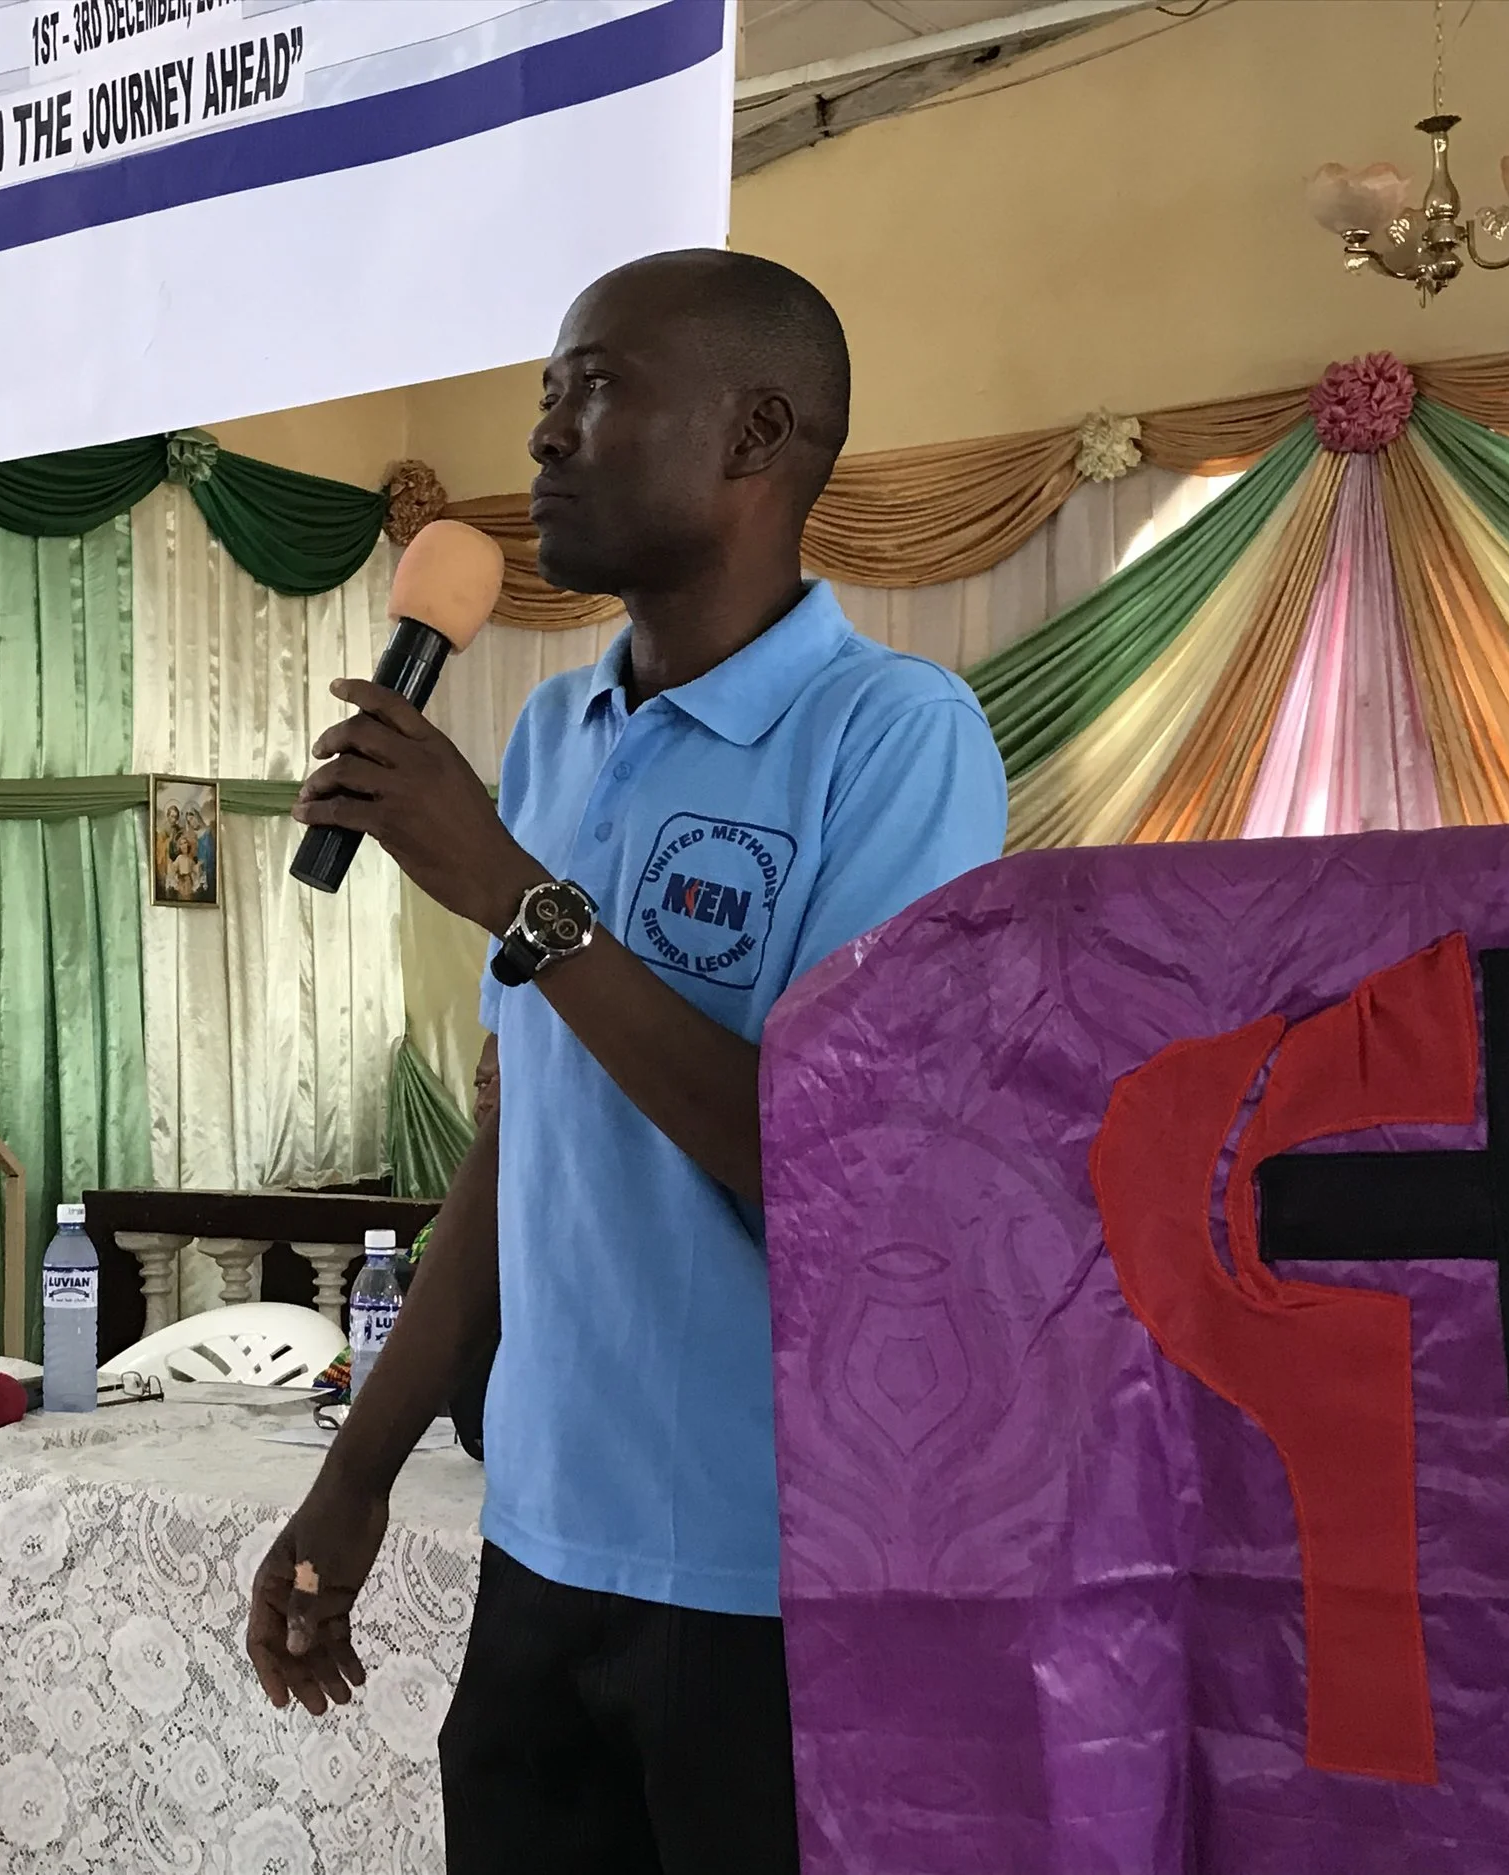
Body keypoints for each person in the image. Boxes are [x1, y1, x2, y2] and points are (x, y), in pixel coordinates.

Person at [249, 249, 1009, 1872]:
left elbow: (835, 1166)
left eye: (594, 392)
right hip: (541, 1549)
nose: (543, 436)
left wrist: (517, 893)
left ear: (756, 435)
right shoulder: (552, 737)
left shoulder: (894, 737)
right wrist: (358, 1471)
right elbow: (522, 1150)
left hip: (768, 1582)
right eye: (545, 396)